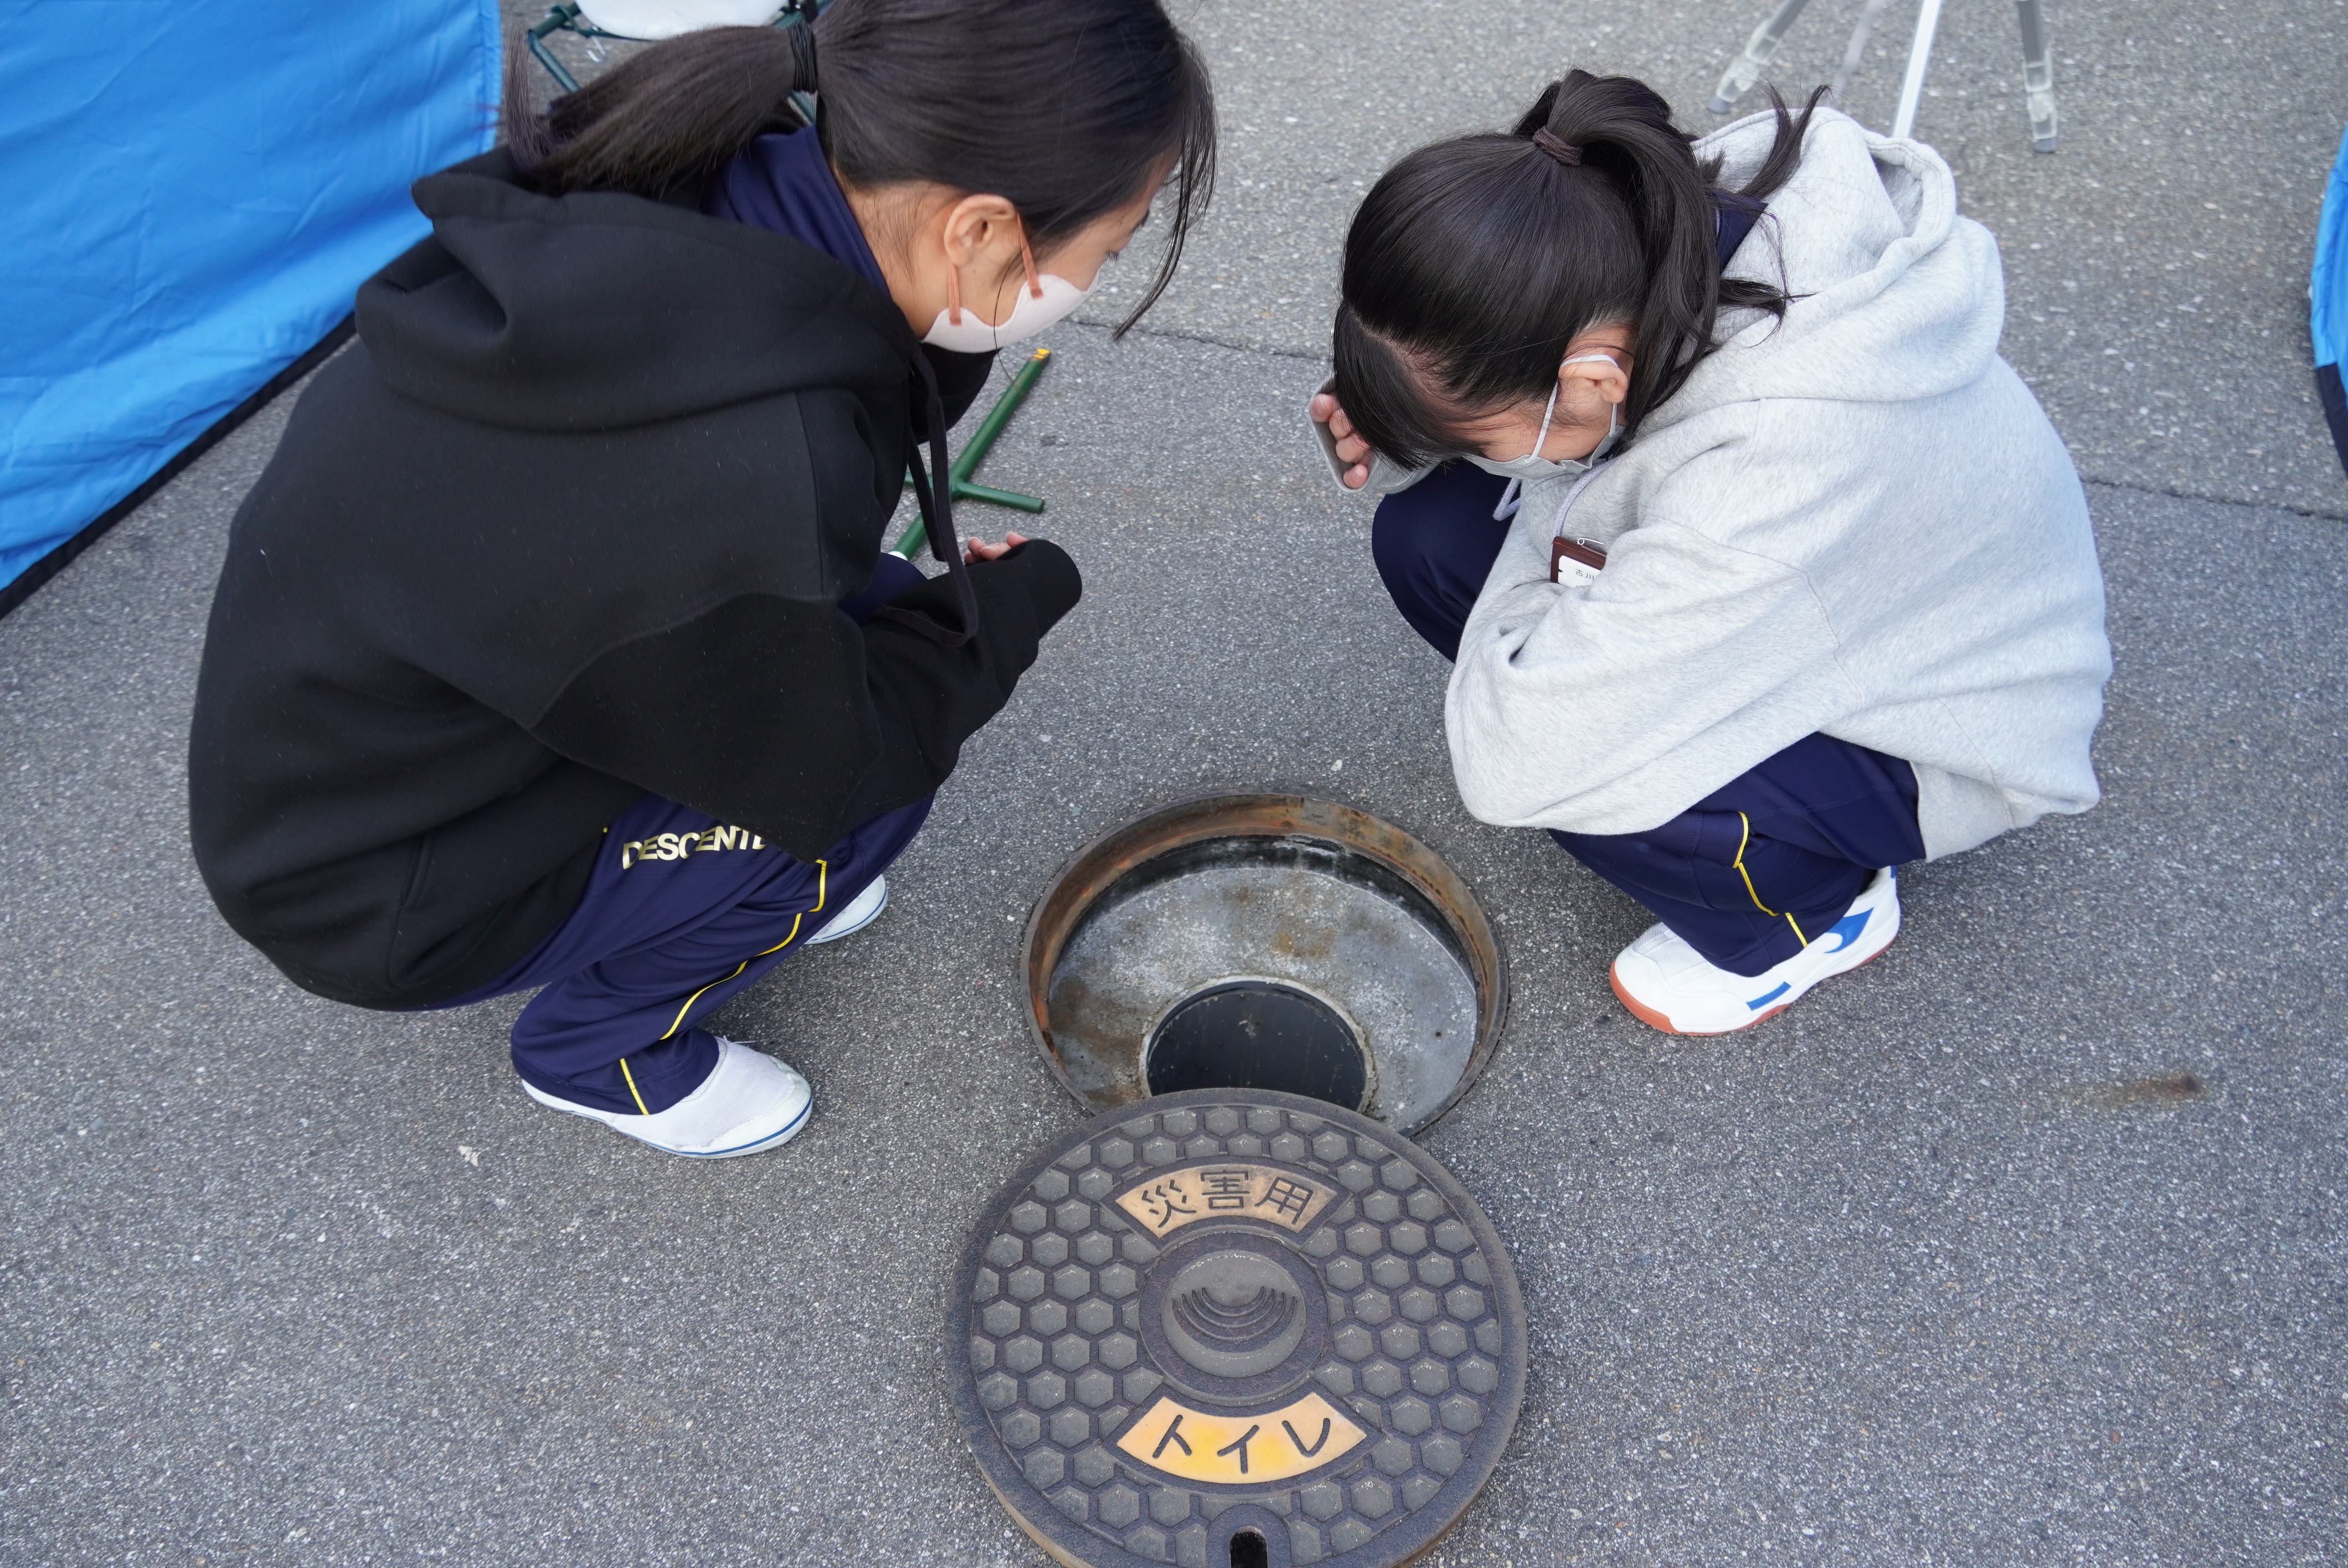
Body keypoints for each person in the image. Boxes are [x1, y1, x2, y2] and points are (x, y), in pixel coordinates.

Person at [187, 0, 1216, 1156]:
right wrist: (1009, 614)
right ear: (979, 230)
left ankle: (694, 898)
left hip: (371, 740)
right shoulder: (750, 473)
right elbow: (832, 760)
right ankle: (599, 1053)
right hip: (374, 888)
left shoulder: (727, 178)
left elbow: (763, 575)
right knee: (858, 800)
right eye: (1110, 247)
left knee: (870, 617)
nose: (1101, 272)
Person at [1309, 73, 2109, 1035]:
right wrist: (1406, 410)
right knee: (1428, 536)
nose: (1485, 459)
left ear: (1593, 377)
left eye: (1487, 431)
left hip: (1933, 727)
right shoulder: (1641, 207)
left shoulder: (1779, 464)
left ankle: (1811, 915)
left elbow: (1513, 764)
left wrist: (1543, 670)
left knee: (1579, 752)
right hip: (1844, 587)